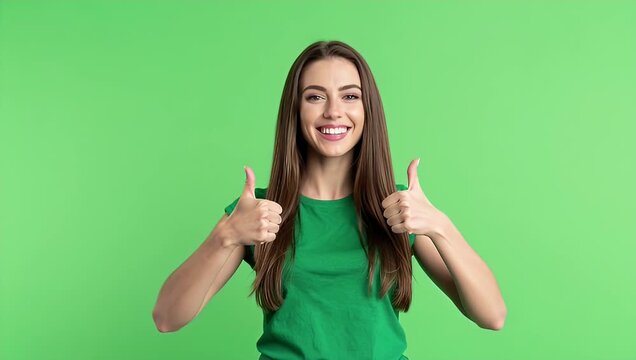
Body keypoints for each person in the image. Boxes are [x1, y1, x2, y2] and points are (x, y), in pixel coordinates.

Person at [152, 40, 507, 359]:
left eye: (350, 96)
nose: (333, 111)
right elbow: (167, 318)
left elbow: (492, 315)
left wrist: (439, 226)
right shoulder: (259, 213)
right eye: (315, 96)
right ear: (296, 110)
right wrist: (225, 236)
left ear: (368, 111)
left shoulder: (401, 210)